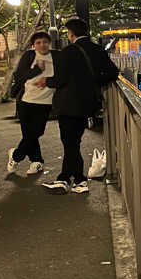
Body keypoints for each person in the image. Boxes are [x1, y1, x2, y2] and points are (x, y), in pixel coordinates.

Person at [38, 18, 119, 194]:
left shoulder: (67, 52)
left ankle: (76, 180)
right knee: (73, 142)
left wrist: (47, 81)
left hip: (68, 105)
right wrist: (94, 81)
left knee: (70, 142)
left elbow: (60, 80)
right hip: (87, 104)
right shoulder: (98, 50)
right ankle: (69, 178)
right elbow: (113, 73)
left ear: (72, 34)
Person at [7, 31, 59, 175]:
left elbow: (62, 75)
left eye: (45, 42)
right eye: (38, 42)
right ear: (33, 45)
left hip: (45, 102)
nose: (42, 45)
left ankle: (16, 156)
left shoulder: (56, 56)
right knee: (29, 134)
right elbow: (20, 75)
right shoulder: (29, 56)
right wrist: (37, 69)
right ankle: (37, 162)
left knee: (36, 132)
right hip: (26, 101)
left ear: (49, 43)